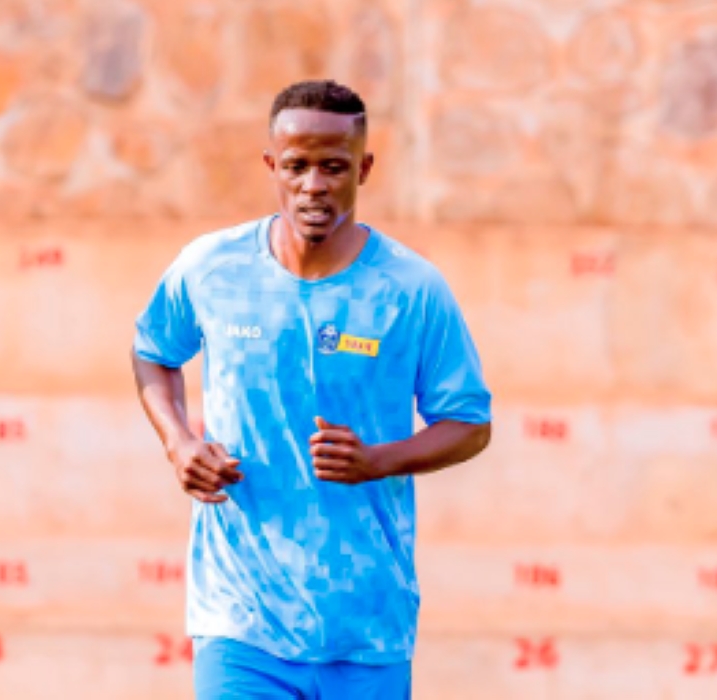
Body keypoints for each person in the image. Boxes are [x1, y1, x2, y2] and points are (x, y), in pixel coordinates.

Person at [131, 79, 492, 699]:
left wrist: (380, 460)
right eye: (296, 166)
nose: (313, 185)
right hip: (240, 620)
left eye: (334, 166)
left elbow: (470, 422)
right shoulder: (210, 268)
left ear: (364, 168)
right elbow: (153, 352)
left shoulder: (411, 290)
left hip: (368, 626)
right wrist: (178, 442)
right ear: (272, 165)